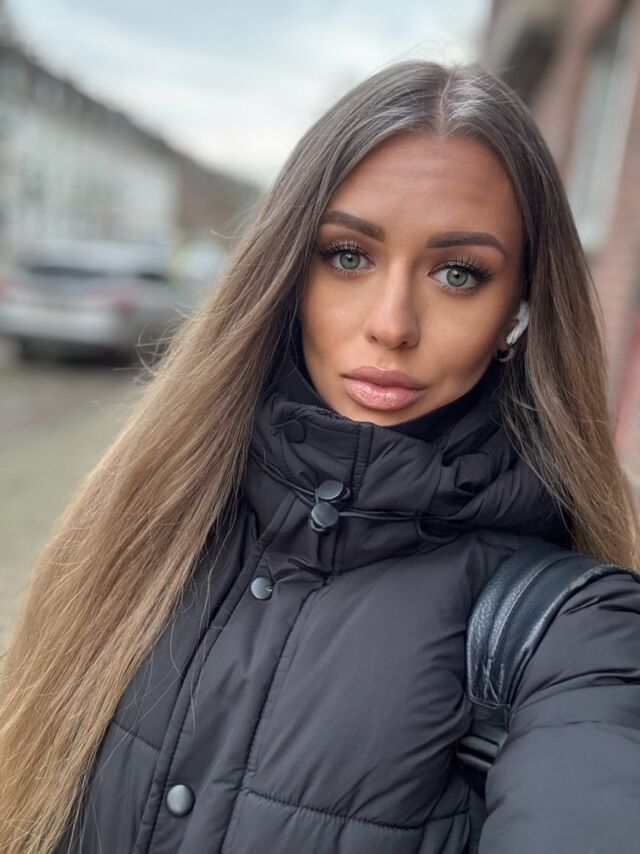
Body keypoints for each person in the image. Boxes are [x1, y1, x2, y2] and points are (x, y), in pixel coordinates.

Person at [1, 59, 639, 854]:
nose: (392, 324)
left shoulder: (571, 627)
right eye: (348, 255)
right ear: (286, 270)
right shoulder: (152, 509)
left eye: (458, 273)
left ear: (519, 307)